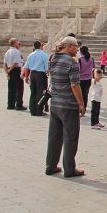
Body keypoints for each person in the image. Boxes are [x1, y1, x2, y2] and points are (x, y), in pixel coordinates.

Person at [45, 36, 85, 177]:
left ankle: (50, 166)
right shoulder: (71, 62)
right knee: (70, 137)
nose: (77, 50)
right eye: (76, 47)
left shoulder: (52, 58)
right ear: (68, 46)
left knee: (54, 137)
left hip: (55, 103)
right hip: (68, 105)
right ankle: (69, 169)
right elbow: (75, 85)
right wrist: (81, 103)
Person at [23, 40, 49, 116]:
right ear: (41, 46)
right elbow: (46, 68)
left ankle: (32, 110)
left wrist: (27, 77)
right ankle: (39, 110)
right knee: (40, 93)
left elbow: (26, 67)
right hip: (40, 74)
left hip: (32, 74)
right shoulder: (44, 55)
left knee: (33, 92)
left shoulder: (30, 55)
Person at [4, 38, 26, 110]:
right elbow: (15, 62)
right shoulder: (16, 52)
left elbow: (4, 64)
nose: (18, 44)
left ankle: (10, 105)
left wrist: (7, 72)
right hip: (16, 70)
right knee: (19, 88)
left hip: (10, 70)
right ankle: (19, 105)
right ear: (14, 43)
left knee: (11, 88)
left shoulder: (7, 52)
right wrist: (10, 70)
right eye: (17, 42)